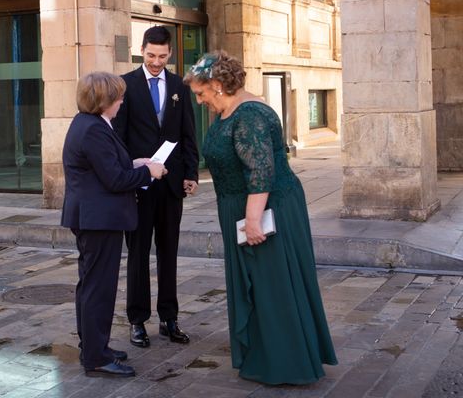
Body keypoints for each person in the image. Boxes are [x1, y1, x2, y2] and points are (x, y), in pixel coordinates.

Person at [183, 50, 337, 385]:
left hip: (265, 209)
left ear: (218, 85)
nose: (199, 101)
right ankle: (264, 353)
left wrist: (253, 220)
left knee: (271, 284)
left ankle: (286, 363)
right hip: (244, 206)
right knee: (262, 283)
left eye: (201, 93)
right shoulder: (230, 110)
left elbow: (261, 171)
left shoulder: (249, 114)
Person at [61, 71, 166, 378]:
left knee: (90, 285)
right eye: (118, 96)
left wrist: (137, 163)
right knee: (98, 289)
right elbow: (115, 180)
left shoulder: (90, 124)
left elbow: (105, 167)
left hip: (95, 217)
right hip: (98, 219)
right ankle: (95, 356)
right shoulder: (93, 128)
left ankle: (94, 346)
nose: (122, 101)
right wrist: (150, 173)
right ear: (104, 100)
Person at [112, 26, 199, 348]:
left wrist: (191, 173)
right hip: (138, 185)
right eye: (150, 55)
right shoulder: (126, 84)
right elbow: (117, 138)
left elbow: (188, 133)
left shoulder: (179, 85)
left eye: (162, 56)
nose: (156, 62)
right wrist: (130, 172)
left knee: (168, 253)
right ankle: (137, 320)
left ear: (170, 53)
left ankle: (169, 318)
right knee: (137, 254)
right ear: (142, 50)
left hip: (172, 185)